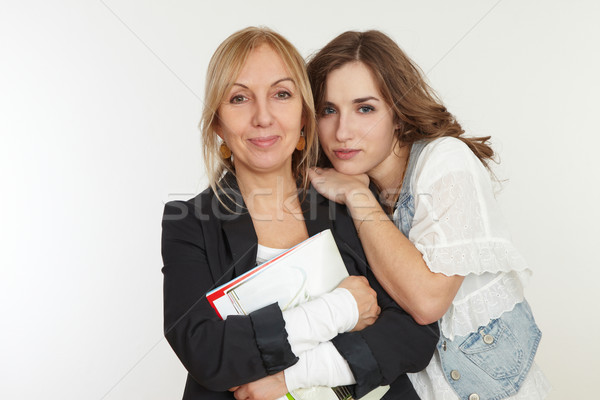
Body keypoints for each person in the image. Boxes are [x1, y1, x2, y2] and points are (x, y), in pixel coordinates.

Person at [161, 27, 439, 400]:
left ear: (305, 117)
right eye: (239, 98)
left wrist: (292, 375)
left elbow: (414, 336)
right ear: (217, 124)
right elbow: (207, 353)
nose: (263, 117)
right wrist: (338, 309)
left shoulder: (350, 197)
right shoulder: (189, 222)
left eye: (281, 94)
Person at [306, 30, 550, 400]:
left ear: (398, 116)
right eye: (328, 110)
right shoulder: (345, 187)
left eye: (365, 108)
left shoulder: (445, 161)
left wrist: (357, 196)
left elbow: (427, 301)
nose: (343, 131)